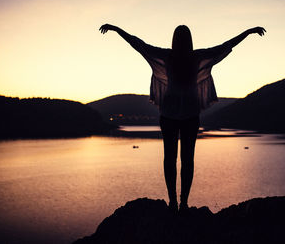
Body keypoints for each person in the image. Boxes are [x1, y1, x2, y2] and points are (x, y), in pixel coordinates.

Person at [99, 23, 266, 213]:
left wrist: (115, 29)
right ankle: (180, 202)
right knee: (184, 160)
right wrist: (249, 32)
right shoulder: (193, 57)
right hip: (184, 115)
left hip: (176, 115)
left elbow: (137, 43)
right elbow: (226, 45)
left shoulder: (171, 56)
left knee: (173, 159)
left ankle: (176, 203)